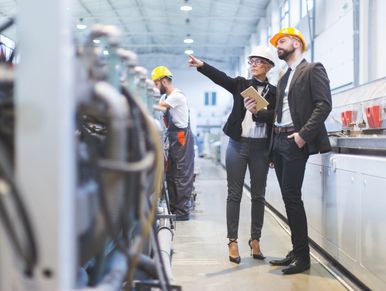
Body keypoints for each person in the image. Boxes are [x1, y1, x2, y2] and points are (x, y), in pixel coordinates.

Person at [189, 46, 276, 264]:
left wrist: (272, 150)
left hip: (261, 148)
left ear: (268, 66)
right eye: (251, 61)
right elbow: (221, 78)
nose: (253, 64)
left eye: (258, 61)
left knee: (258, 196)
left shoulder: (275, 92)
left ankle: (255, 239)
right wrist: (202, 66)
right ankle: (233, 241)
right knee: (234, 194)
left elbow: (276, 120)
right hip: (237, 145)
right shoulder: (241, 84)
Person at [268, 27, 332, 274]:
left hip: (296, 141)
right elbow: (277, 114)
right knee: (288, 197)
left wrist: (303, 136)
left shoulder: (312, 69)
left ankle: (303, 258)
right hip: (280, 141)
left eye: (282, 41)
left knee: (292, 197)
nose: (278, 46)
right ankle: (296, 251)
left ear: (296, 43)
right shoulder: (284, 76)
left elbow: (324, 105)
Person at [151, 66, 195, 221]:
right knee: (172, 173)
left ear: (164, 81)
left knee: (181, 174)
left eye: (156, 84)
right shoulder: (166, 98)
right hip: (174, 138)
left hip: (182, 138)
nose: (156, 88)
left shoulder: (176, 96)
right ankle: (175, 209)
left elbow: (158, 107)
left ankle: (182, 212)